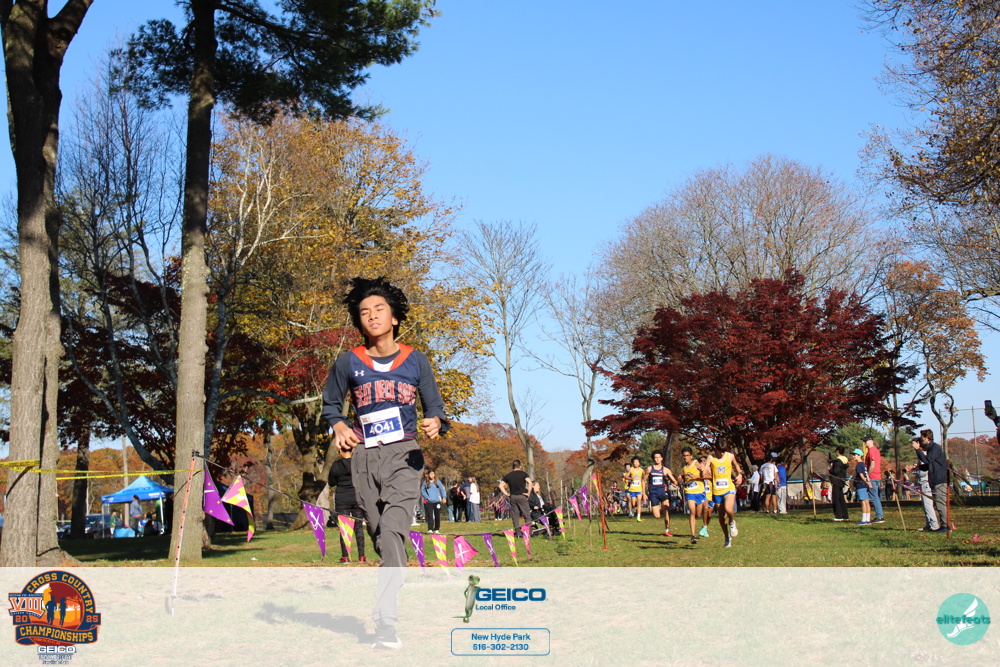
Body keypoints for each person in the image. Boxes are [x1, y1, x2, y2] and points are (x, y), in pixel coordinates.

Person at [321, 276, 450, 650]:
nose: (372, 315)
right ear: (359, 322)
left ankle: (386, 622)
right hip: (364, 458)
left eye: (379, 309)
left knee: (392, 529)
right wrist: (339, 425)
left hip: (405, 455)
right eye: (364, 312)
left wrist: (435, 421)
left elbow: (435, 406)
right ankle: (397, 562)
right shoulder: (349, 362)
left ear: (394, 317)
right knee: (383, 536)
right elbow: (331, 405)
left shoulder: (416, 360)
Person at [329, 447, 367, 563]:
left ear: (340, 451)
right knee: (358, 527)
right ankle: (362, 556)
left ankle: (345, 556)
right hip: (357, 497)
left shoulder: (336, 465)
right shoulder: (358, 464)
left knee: (344, 527)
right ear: (352, 450)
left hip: (342, 499)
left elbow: (331, 482)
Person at [708, 439, 743, 548]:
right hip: (717, 490)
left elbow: (737, 466)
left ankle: (732, 522)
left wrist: (739, 475)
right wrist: (704, 470)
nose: (722, 454)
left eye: (724, 451)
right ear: (716, 449)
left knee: (729, 508)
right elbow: (705, 470)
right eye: (720, 451)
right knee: (722, 517)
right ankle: (727, 537)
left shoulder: (730, 456)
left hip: (729, 488)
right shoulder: (711, 457)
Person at [643, 450, 679, 536]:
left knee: (666, 509)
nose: (657, 459)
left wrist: (675, 483)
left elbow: (675, 481)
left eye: (659, 457)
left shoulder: (666, 470)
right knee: (657, 516)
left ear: (662, 458)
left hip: (663, 492)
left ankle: (667, 530)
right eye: (655, 457)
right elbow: (643, 481)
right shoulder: (650, 469)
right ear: (653, 459)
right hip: (653, 493)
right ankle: (660, 510)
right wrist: (644, 493)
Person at [921, 429, 949, 532]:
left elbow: (927, 460)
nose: (921, 440)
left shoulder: (935, 448)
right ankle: (944, 525)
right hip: (935, 480)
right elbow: (928, 465)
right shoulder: (930, 449)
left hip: (940, 480)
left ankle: (946, 526)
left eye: (922, 438)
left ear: (927, 438)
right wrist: (918, 467)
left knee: (941, 504)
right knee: (938, 504)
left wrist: (918, 450)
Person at [680, 446, 708, 544]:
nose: (685, 457)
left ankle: (702, 527)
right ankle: (693, 535)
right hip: (689, 492)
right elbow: (686, 478)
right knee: (692, 511)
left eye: (687, 455)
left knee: (698, 514)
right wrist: (682, 477)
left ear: (691, 456)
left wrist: (695, 476)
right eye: (684, 456)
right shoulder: (684, 468)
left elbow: (705, 475)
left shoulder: (696, 463)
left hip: (699, 492)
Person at [500, 460, 532, 533]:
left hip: (513, 496)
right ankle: (528, 532)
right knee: (527, 514)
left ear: (512, 467)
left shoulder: (508, 475)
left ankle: (518, 533)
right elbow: (530, 483)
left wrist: (507, 494)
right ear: (520, 466)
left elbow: (501, 485)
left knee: (515, 516)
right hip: (522, 496)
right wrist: (528, 493)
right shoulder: (523, 474)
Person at [909, 437, 935, 530]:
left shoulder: (923, 455)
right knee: (925, 505)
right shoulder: (921, 455)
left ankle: (934, 524)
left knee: (928, 504)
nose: (912, 446)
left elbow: (924, 471)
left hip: (926, 483)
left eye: (913, 443)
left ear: (918, 443)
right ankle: (928, 523)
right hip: (922, 483)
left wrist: (915, 471)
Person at [863, 435, 885, 523]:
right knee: (876, 497)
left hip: (873, 477)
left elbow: (872, 464)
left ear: (871, 441)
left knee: (874, 497)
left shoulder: (872, 450)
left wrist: (867, 476)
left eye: (866, 441)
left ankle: (879, 516)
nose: (864, 443)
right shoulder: (876, 450)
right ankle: (879, 515)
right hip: (877, 476)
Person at [851, 448, 874, 525]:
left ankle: (864, 520)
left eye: (855, 455)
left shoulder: (859, 465)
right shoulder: (863, 464)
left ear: (859, 455)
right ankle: (868, 519)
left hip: (861, 485)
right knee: (866, 502)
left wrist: (867, 482)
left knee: (863, 502)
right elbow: (866, 475)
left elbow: (862, 475)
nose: (853, 456)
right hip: (865, 485)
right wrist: (868, 483)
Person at [420, 469, 447, 535]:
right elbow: (422, 491)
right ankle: (430, 529)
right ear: (428, 475)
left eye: (433, 474)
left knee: (437, 515)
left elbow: (442, 490)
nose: (432, 475)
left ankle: (437, 529)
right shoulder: (425, 482)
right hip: (429, 502)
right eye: (431, 474)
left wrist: (444, 497)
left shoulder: (437, 482)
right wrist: (427, 497)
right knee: (430, 516)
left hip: (437, 501)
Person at [829, 447, 849, 521]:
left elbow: (835, 472)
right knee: (841, 498)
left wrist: (830, 470)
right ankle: (845, 515)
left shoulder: (837, 461)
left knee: (836, 498)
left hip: (837, 481)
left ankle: (838, 515)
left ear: (838, 452)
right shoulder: (845, 460)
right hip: (842, 480)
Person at [625, 457, 645, 521]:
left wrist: (644, 480)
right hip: (632, 489)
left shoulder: (641, 470)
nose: (636, 463)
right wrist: (631, 478)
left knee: (639, 502)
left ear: (639, 463)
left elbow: (645, 475)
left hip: (639, 489)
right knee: (633, 503)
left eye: (637, 462)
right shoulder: (631, 469)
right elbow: (626, 476)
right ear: (633, 463)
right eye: (635, 462)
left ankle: (638, 517)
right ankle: (634, 508)